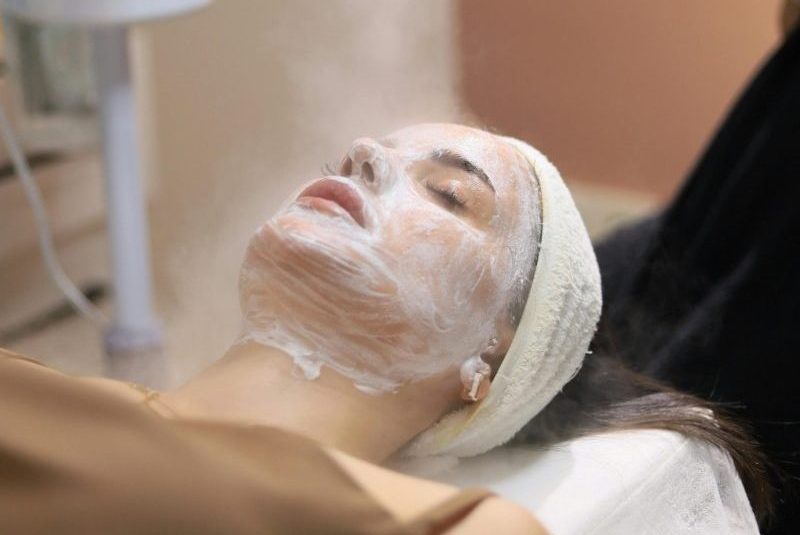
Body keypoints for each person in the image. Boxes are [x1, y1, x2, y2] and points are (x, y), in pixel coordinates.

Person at [0, 124, 768, 532]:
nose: (363, 153)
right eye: (362, 150)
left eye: (448, 195)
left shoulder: (460, 526)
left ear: (488, 362)